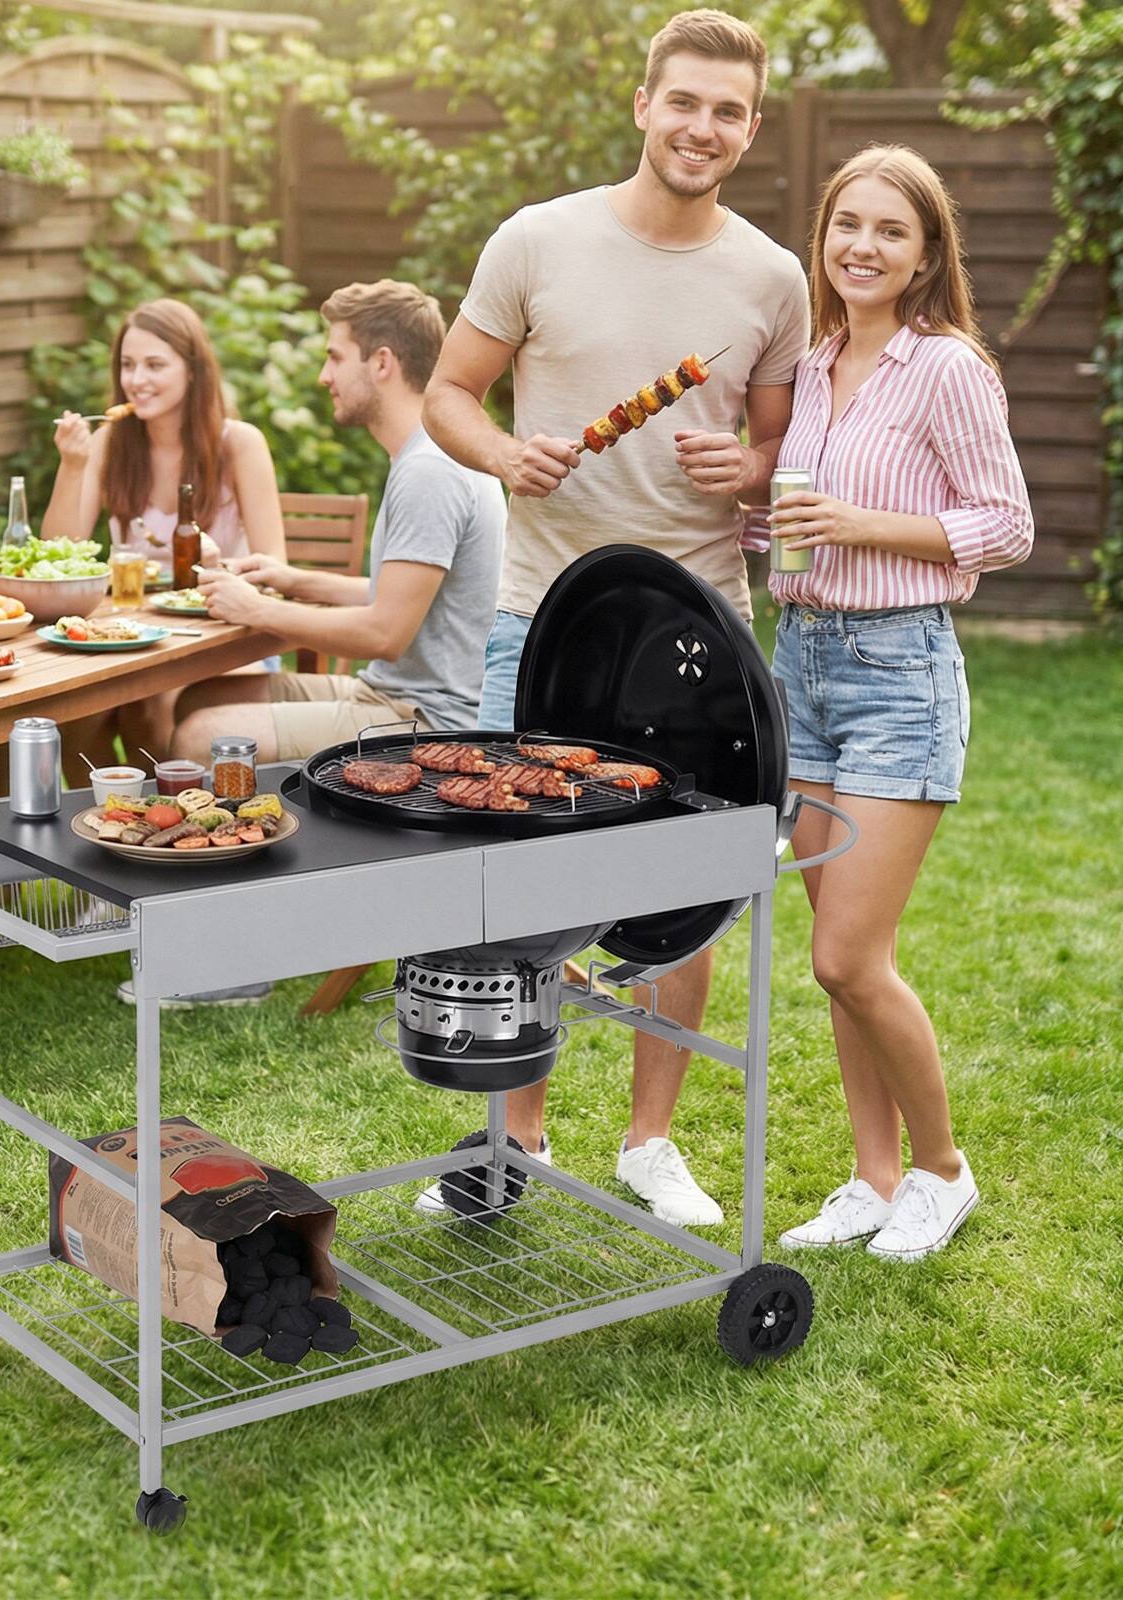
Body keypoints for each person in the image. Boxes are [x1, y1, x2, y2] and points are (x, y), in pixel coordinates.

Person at [420, 8, 810, 1223]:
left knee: (684, 895)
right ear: (644, 104)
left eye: (728, 111)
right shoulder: (537, 241)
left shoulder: (770, 276)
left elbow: (781, 438)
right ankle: (515, 1141)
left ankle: (651, 1142)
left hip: (694, 630)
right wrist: (503, 453)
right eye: (684, 101)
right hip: (538, 614)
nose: (703, 127)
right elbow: (447, 395)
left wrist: (745, 473)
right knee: (512, 892)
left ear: (750, 128)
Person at [758, 146, 1032, 1259]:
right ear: (822, 236)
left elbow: (1005, 524)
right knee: (832, 942)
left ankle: (940, 1170)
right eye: (846, 225)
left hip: (894, 675)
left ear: (925, 257)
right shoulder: (817, 362)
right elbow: (795, 524)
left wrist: (858, 526)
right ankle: (872, 1179)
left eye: (889, 232)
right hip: (803, 667)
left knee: (846, 956)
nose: (861, 247)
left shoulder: (947, 368)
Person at [178, 279, 504, 764]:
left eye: (334, 356)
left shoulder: (429, 469)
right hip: (390, 695)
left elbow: (384, 634)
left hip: (426, 719)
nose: (322, 375)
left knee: (201, 735)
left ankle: (247, 836)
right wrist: (296, 580)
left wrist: (256, 609)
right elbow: (406, 598)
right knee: (201, 698)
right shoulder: (425, 454)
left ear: (381, 363)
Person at [40, 298, 287, 775]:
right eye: (128, 365)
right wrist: (73, 467)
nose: (137, 379)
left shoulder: (239, 444)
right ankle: (99, 822)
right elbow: (59, 549)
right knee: (70, 719)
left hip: (226, 641)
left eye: (155, 365)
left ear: (193, 370)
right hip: (135, 638)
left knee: (147, 707)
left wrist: (221, 567)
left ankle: (161, 823)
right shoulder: (111, 442)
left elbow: (275, 564)